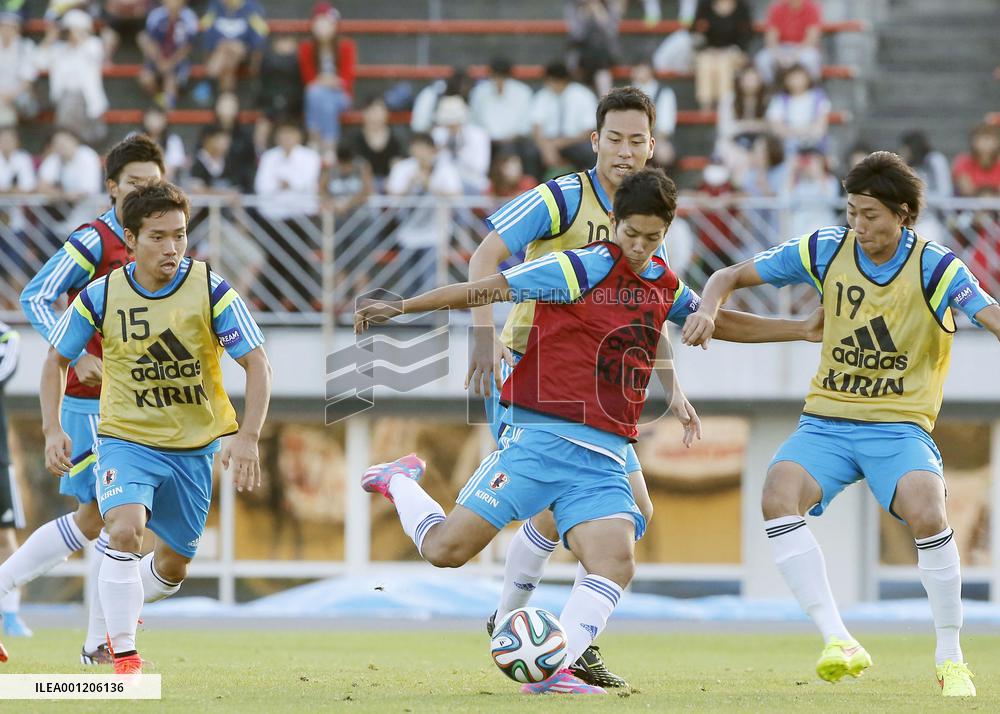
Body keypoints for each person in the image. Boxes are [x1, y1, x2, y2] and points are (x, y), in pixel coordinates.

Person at [357, 168, 822, 695]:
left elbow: (723, 322)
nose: (641, 247)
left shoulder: (663, 282)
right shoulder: (579, 266)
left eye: (653, 238)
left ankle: (553, 670)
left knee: (616, 563)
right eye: (632, 234)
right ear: (614, 224)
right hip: (540, 439)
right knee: (445, 550)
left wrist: (801, 330)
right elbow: (485, 288)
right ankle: (397, 480)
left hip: (601, 456)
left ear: (666, 232)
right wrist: (401, 307)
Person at [682, 151, 1000, 697]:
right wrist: (709, 308)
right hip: (828, 420)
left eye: (870, 215)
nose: (858, 225)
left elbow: (990, 315)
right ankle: (839, 639)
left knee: (928, 511)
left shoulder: (937, 266)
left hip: (899, 427)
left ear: (903, 214)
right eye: (852, 212)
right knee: (778, 494)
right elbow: (729, 275)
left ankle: (950, 657)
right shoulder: (826, 248)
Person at [468, 87, 663, 688]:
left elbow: (647, 301)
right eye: (615, 138)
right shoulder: (562, 197)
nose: (625, 151)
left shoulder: (645, 212)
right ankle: (540, 637)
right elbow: (485, 259)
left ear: (651, 145)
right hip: (537, 370)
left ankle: (526, 626)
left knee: (636, 513)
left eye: (637, 141)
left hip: (600, 386)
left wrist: (671, 384)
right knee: (567, 505)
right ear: (594, 138)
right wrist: (483, 336)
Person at [40, 181, 271, 675]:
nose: (172, 247)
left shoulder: (209, 289)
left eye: (180, 235)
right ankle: (121, 653)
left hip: (192, 449)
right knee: (123, 529)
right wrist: (51, 429)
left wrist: (247, 436)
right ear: (130, 238)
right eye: (158, 237)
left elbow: (257, 363)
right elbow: (56, 360)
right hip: (125, 438)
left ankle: (110, 619)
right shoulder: (101, 295)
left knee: (172, 567)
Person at [10, 135, 164, 665]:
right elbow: (36, 294)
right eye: (135, 182)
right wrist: (74, 355)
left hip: (134, 403)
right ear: (113, 187)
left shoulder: (157, 241)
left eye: (153, 181)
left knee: (101, 518)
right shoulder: (94, 239)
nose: (145, 190)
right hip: (91, 400)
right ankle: (98, 643)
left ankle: (95, 637)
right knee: (109, 517)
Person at [35, 9, 108, 145]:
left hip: (88, 102)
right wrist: (50, 39)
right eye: (67, 29)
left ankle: (65, 141)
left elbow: (96, 53)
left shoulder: (93, 44)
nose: (69, 33)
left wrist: (80, 34)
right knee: (69, 108)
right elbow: (39, 63)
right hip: (63, 101)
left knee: (71, 126)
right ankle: (66, 142)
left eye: (71, 29)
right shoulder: (58, 49)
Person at [298, 2, 356, 158]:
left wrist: (325, 80)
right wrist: (328, 80)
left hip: (341, 97)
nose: (323, 27)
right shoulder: (306, 48)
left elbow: (346, 80)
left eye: (327, 22)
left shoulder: (346, 46)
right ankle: (327, 144)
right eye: (319, 22)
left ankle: (317, 141)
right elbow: (308, 79)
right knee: (318, 96)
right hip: (318, 97)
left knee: (320, 95)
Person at [0, 320, 28, 638]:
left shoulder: (7, 335)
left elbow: (4, 372)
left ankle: (11, 615)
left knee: (6, 538)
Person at [530, 62, 599, 174]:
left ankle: (591, 185)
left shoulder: (583, 95)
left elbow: (589, 130)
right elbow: (536, 126)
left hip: (574, 142)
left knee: (590, 151)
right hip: (548, 142)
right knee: (530, 153)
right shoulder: (542, 96)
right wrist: (546, 148)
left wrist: (559, 143)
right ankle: (534, 188)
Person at [197, 0, 268, 100]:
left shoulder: (251, 7)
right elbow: (205, 29)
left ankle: (214, 87)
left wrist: (255, 63)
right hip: (221, 53)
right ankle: (227, 96)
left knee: (233, 49)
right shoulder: (214, 6)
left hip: (243, 54)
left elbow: (261, 32)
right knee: (227, 55)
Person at [691, 0, 753, 112]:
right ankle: (706, 108)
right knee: (705, 62)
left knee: (723, 64)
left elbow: (746, 35)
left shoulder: (742, 6)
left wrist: (728, 50)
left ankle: (724, 107)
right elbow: (696, 32)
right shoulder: (704, 5)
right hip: (709, 52)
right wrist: (708, 49)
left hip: (734, 52)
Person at [138, 0, 199, 110]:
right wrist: (159, 60)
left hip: (179, 59)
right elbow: (151, 41)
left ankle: (169, 110)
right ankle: (158, 101)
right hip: (158, 57)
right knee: (146, 78)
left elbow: (188, 47)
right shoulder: (156, 15)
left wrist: (170, 63)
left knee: (171, 79)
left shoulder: (190, 17)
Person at [765, 63, 830, 157]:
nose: (797, 81)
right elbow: (776, 128)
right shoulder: (779, 100)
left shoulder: (818, 97)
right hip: (786, 146)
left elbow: (820, 128)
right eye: (793, 77)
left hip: (814, 145)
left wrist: (796, 132)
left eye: (800, 77)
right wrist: (801, 132)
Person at [345, 95, 405, 193]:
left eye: (380, 111)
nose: (376, 116)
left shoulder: (397, 135)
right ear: (364, 113)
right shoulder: (353, 136)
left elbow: (403, 160)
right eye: (372, 111)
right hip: (360, 185)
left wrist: (393, 176)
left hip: (390, 183)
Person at [754, 0, 823, 84]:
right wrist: (779, 56)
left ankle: (813, 90)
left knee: (811, 59)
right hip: (781, 47)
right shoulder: (777, 7)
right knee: (762, 60)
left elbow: (812, 38)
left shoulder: (811, 7)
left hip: (803, 47)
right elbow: (771, 37)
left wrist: (794, 56)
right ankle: (770, 88)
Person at [629, 61, 678, 172]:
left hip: (655, 138)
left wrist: (647, 142)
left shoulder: (664, 92)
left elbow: (665, 126)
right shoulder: (627, 93)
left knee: (664, 154)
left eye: (640, 69)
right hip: (630, 138)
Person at [0, 10, 39, 127]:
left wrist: (10, 95)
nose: (7, 30)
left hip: (17, 98)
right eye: (4, 26)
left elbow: (28, 78)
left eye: (11, 27)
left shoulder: (26, 46)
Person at [952, 123, 1000, 197]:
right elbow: (966, 190)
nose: (984, 143)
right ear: (973, 142)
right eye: (981, 139)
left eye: (988, 139)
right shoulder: (963, 162)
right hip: (970, 205)